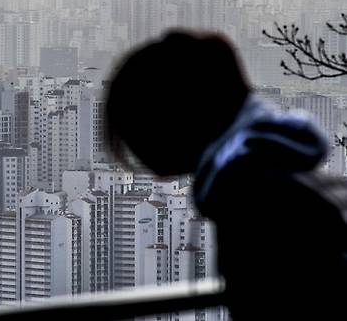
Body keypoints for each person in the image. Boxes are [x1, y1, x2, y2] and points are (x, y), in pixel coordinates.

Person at [105, 29, 347, 320]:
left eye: (139, 126)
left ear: (175, 118)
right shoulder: (273, 170)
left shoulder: (252, 197)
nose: (136, 150)